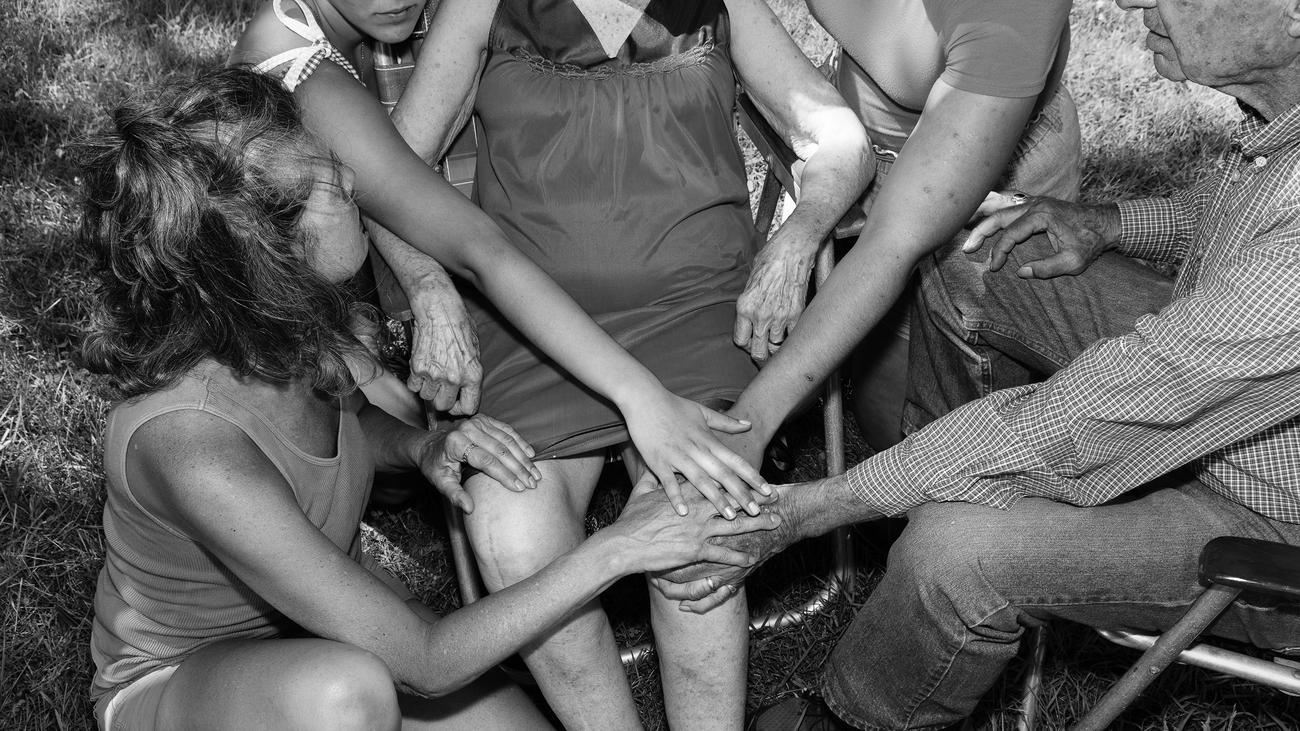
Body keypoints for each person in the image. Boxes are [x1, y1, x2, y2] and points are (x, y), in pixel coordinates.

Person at [659, 0, 1300, 727]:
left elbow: (1082, 416)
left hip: (1266, 518)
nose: (1130, 1)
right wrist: (1115, 221)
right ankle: (935, 506)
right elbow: (1244, 212)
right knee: (978, 256)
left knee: (954, 552)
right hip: (1230, 402)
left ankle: (861, 709)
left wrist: (807, 509)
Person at [81, 68, 783, 731]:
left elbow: (335, 428)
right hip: (186, 677)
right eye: (330, 184)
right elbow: (425, 663)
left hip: (319, 628)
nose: (353, 180)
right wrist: (619, 548)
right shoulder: (192, 447)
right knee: (345, 697)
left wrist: (422, 445)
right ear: (272, 253)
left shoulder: (281, 327)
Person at [368, 1, 869, 728]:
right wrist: (429, 287)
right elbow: (386, 170)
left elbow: (840, 137)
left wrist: (799, 237)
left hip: (694, 314)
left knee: (697, 531)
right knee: (513, 534)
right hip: (532, 323)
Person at [230, 0, 781, 528]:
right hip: (501, 322)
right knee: (425, 474)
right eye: (339, 185)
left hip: (684, 307)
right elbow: (445, 226)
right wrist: (429, 288)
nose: (398, 1)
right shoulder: (309, 79)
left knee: (699, 526)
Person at [726, 0, 1081, 455]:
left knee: (927, 438)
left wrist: (750, 424)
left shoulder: (1012, 12)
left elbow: (894, 242)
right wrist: (837, 153)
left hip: (993, 163)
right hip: (855, 126)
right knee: (852, 386)